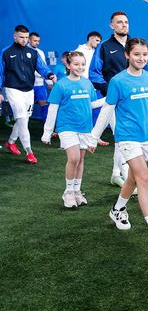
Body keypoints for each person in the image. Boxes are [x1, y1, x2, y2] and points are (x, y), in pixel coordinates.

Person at [88, 38, 148, 248]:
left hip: (146, 138)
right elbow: (107, 110)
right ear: (127, 55)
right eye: (136, 54)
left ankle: (117, 210)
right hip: (127, 137)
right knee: (143, 178)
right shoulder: (118, 81)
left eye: (145, 55)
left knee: (133, 179)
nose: (141, 58)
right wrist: (93, 136)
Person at [89, 11, 148, 187]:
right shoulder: (104, 47)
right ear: (112, 25)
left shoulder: (135, 45)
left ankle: (116, 174)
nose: (124, 25)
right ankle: (125, 176)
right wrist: (107, 87)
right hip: (114, 98)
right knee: (122, 134)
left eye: (126, 22)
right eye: (119, 22)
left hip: (133, 100)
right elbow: (94, 73)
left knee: (122, 137)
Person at [41, 52, 104, 208]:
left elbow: (91, 105)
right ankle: (68, 192)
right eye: (76, 64)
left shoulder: (88, 84)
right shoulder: (61, 85)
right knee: (74, 158)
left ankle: (77, 191)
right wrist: (47, 132)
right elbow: (53, 109)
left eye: (82, 64)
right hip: (67, 127)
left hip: (85, 128)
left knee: (81, 159)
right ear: (68, 65)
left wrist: (109, 100)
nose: (80, 67)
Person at [0, 25, 56, 164]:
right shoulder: (6, 52)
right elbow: (0, 72)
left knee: (23, 119)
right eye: (21, 37)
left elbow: (42, 67)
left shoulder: (33, 52)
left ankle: (11, 142)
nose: (24, 40)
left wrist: (49, 75)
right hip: (12, 89)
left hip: (29, 91)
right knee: (23, 120)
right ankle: (29, 152)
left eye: (26, 37)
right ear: (14, 36)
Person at [28, 32, 50, 121]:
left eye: (38, 41)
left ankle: (47, 130)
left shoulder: (40, 52)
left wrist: (49, 81)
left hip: (39, 84)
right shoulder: (23, 51)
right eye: (35, 40)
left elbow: (44, 68)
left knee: (44, 104)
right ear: (29, 40)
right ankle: (20, 130)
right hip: (27, 85)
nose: (37, 43)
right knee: (25, 108)